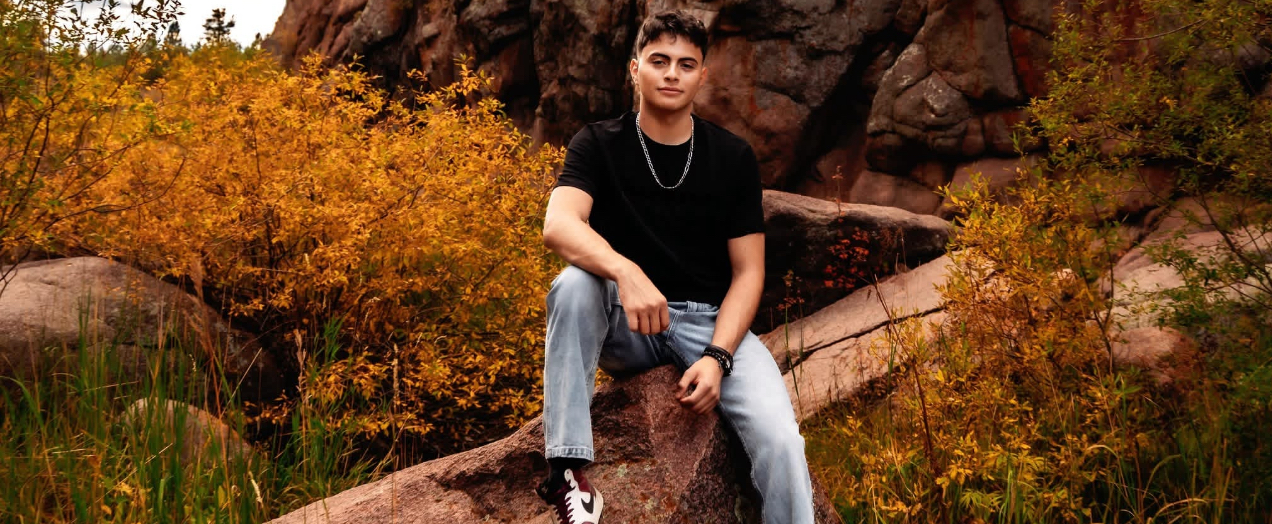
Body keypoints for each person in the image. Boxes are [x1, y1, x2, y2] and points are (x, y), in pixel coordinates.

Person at [534, 9, 815, 524]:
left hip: (710, 323)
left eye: (686, 65)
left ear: (702, 76)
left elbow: (749, 273)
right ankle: (568, 473)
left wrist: (718, 358)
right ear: (635, 68)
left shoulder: (732, 158)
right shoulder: (597, 142)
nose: (671, 74)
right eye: (659, 61)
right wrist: (626, 272)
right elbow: (559, 224)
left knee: (782, 441)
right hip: (628, 321)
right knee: (574, 284)